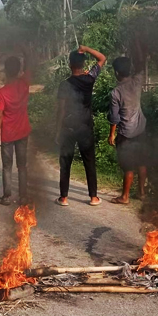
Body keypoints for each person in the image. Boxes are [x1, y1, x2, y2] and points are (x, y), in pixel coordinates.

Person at [55, 45, 106, 207]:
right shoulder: (89, 79)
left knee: (65, 162)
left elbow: (61, 110)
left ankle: (63, 197)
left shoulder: (64, 85)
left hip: (68, 128)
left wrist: (58, 130)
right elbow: (102, 58)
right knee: (89, 161)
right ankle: (93, 197)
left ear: (70, 64)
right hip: (85, 127)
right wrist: (87, 49)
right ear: (83, 65)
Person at [108, 46, 147, 205]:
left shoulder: (116, 92)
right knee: (142, 162)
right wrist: (138, 45)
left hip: (126, 133)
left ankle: (124, 197)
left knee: (128, 166)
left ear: (117, 73)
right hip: (141, 129)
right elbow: (141, 64)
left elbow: (114, 117)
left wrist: (112, 134)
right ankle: (142, 192)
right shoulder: (137, 82)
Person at [0, 47, 33, 206]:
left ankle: (7, 196)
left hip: (8, 134)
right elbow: (30, 68)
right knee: (22, 166)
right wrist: (25, 57)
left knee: (7, 166)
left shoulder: (2, 92)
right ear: (18, 71)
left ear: (5, 72)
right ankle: (23, 196)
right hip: (23, 131)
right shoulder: (24, 84)